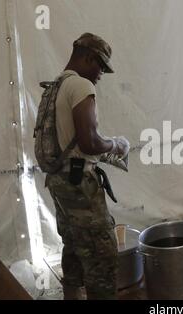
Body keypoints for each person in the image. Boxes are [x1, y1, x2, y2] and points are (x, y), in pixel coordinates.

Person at [44, 33, 130, 300]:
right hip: (79, 183)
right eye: (101, 66)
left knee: (73, 246)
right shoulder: (81, 86)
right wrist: (116, 145)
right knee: (101, 256)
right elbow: (89, 141)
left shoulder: (55, 86)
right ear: (88, 57)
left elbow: (68, 140)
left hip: (59, 181)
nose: (101, 74)